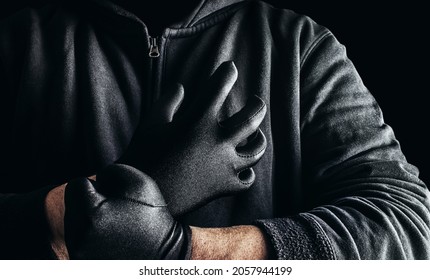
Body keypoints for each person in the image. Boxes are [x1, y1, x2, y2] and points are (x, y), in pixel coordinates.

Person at [0, 0, 429, 260]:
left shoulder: (300, 47)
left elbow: (409, 231)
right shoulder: (18, 44)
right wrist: (72, 208)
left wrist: (186, 252)